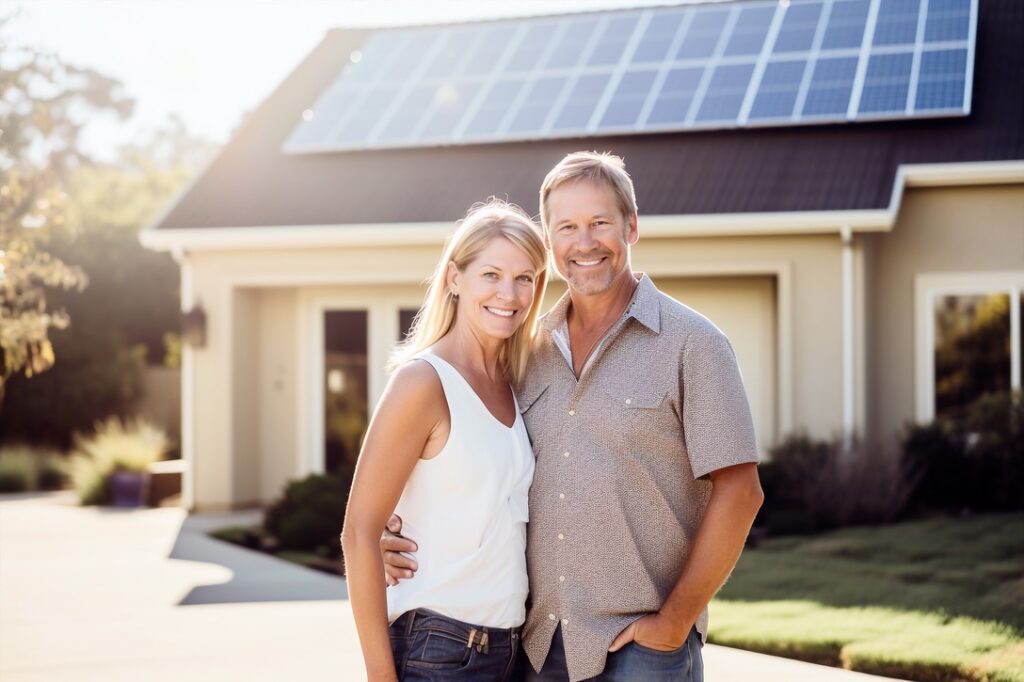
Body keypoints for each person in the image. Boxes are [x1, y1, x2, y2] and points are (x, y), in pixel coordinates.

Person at [381, 151, 765, 682]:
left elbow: (741, 491)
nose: (584, 243)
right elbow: (477, 463)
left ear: (631, 227)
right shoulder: (526, 350)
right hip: (537, 647)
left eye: (600, 223)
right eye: (567, 227)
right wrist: (392, 530)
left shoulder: (693, 344)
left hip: (642, 648)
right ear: (549, 241)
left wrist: (674, 622)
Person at [341, 199, 549, 681]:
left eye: (525, 278)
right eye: (491, 275)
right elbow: (359, 531)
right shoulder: (423, 382)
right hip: (442, 649)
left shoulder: (511, 382)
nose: (510, 294)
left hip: (510, 650)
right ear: (455, 278)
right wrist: (380, 676)